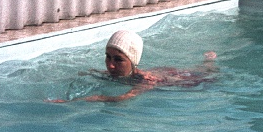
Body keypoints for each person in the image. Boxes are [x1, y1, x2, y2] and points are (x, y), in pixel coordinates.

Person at [48, 30, 218, 103]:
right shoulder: (119, 73)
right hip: (163, 71)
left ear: (133, 62)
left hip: (189, 82)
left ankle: (209, 63)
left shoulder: (145, 82)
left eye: (118, 60)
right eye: (108, 57)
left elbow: (121, 99)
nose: (110, 65)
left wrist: (77, 101)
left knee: (207, 74)